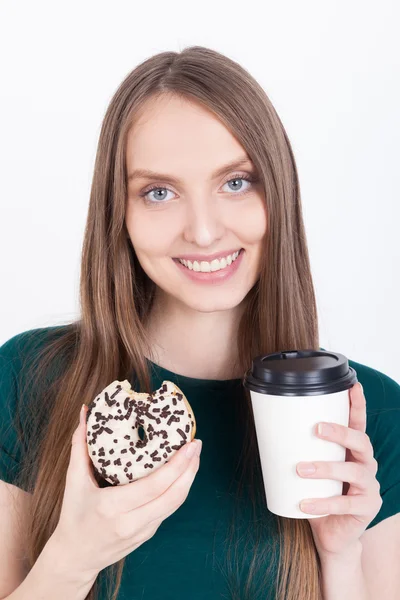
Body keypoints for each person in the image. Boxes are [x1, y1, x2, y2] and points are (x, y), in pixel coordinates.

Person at [0, 46, 399, 600]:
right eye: (159, 192)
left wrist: (340, 558)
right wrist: (72, 559)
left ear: (276, 192)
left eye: (235, 182)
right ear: (120, 212)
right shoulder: (26, 379)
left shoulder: (370, 416)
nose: (204, 232)